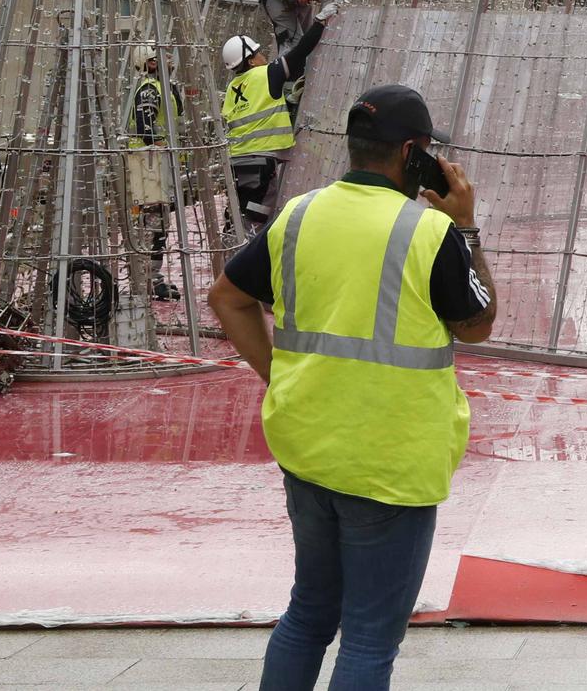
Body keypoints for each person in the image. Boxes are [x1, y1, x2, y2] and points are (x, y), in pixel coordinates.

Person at [208, 84, 497, 691]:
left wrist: (280, 375)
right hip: (390, 461)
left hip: (308, 447)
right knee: (368, 638)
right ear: (414, 153)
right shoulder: (429, 233)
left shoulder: (299, 213)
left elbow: (228, 298)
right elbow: (479, 324)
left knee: (309, 613)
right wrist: (465, 227)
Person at [221, 2, 336, 233]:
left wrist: (289, 103)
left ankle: (227, 257)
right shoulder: (267, 73)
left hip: (236, 161)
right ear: (251, 60)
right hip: (259, 161)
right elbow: (300, 51)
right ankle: (243, 263)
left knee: (237, 213)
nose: (264, 56)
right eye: (258, 53)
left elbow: (253, 113)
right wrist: (320, 22)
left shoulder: (233, 88)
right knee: (256, 217)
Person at [122, 42, 182, 301]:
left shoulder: (160, 86)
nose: (169, 59)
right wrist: (161, 147)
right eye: (162, 56)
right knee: (153, 224)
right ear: (151, 62)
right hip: (149, 166)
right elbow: (147, 128)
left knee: (156, 224)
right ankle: (148, 278)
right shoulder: (149, 89)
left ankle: (149, 277)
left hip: (154, 165)